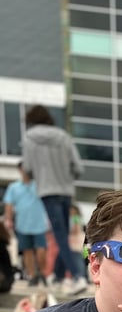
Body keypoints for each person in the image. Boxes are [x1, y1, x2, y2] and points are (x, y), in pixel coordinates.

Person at [21, 105, 87, 295]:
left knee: (59, 235)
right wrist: (66, 177)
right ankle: (58, 277)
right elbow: (78, 167)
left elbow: (28, 167)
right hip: (65, 190)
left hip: (48, 190)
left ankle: (77, 276)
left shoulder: (29, 138)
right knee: (63, 233)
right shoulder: (63, 136)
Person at [3, 161, 48, 286]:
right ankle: (32, 276)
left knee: (41, 250)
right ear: (19, 170)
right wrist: (8, 219)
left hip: (39, 224)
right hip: (22, 224)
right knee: (27, 251)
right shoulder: (14, 187)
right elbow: (9, 204)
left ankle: (43, 273)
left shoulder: (39, 185)